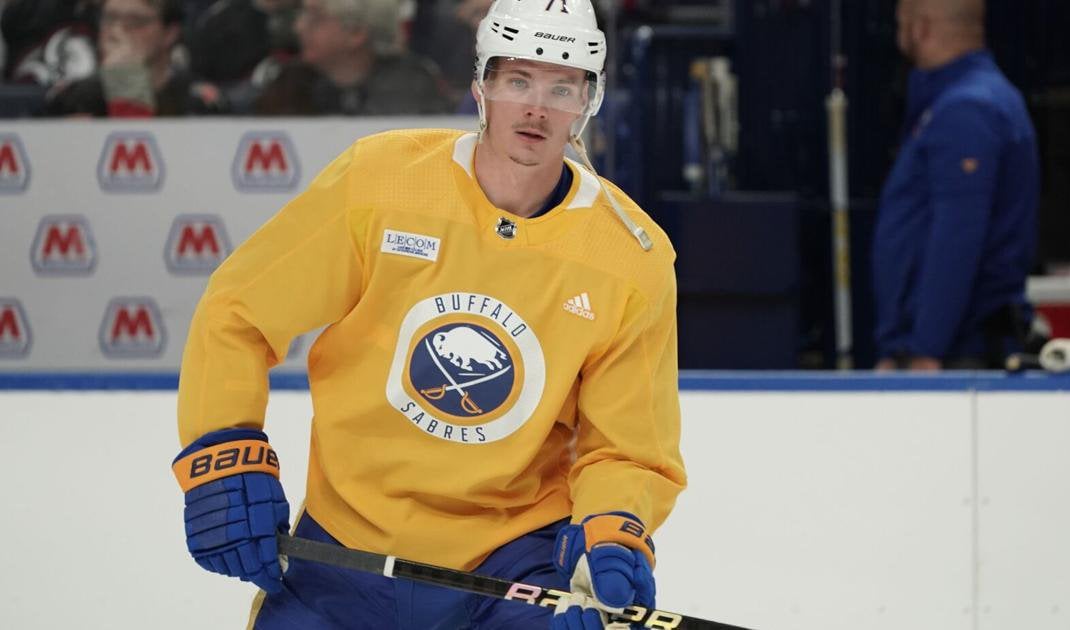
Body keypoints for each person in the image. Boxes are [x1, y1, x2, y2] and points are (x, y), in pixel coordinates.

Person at [171, 1, 685, 628]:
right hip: (342, 553)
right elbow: (238, 311)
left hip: (513, 568)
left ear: (588, 101)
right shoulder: (382, 182)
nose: (537, 107)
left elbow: (628, 448)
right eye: (518, 80)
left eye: (562, 87)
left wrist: (611, 532)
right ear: (481, 86)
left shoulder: (632, 257)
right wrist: (225, 451)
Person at [873, 0, 1039, 371]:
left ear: (920, 29)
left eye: (900, 24)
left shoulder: (967, 110)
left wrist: (926, 348)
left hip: (958, 357)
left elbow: (957, 236)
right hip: (950, 349)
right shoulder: (956, 103)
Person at [253, 0, 453, 115]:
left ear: (356, 33)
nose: (298, 27)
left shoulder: (410, 86)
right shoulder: (290, 82)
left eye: (316, 18)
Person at [45, 0, 226, 116]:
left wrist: (127, 81)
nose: (117, 31)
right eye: (110, 18)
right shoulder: (73, 97)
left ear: (170, 33)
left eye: (134, 21)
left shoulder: (198, 100)